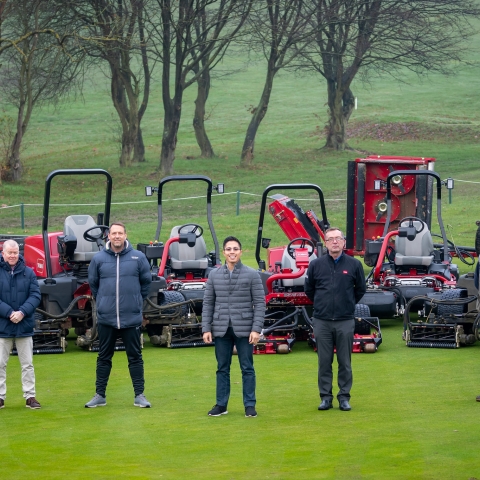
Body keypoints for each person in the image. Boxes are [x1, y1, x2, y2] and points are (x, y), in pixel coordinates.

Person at [85, 222, 152, 408]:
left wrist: (136, 301)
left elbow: (146, 283)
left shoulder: (138, 257)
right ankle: (100, 395)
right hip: (106, 318)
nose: (116, 236)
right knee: (104, 357)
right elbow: (94, 285)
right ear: (108, 236)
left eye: (120, 233)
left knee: (135, 357)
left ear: (125, 235)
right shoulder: (98, 259)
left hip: (131, 318)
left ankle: (140, 395)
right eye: (113, 233)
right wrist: (105, 303)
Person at [202, 236, 265, 417]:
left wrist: (256, 329)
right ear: (223, 252)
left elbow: (260, 303)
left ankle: (249, 405)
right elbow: (208, 303)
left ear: (240, 251)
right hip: (221, 328)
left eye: (235, 249)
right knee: (222, 368)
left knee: (247, 368)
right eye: (228, 249)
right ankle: (221, 405)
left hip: (245, 329)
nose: (232, 252)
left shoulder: (252, 274)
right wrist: (206, 328)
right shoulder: (214, 275)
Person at [304, 227, 366, 412]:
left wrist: (347, 304)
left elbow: (360, 290)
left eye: (338, 238)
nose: (335, 242)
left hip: (345, 320)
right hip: (322, 321)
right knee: (324, 361)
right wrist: (322, 304)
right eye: (330, 239)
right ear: (326, 243)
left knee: (345, 362)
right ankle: (326, 397)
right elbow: (310, 290)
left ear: (344, 242)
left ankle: (344, 397)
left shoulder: (354, 265)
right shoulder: (316, 265)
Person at [0, 239, 42, 409]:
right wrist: (9, 313)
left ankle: (30, 396)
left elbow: (35, 296)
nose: (12, 255)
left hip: (24, 325)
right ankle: (0, 397)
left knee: (27, 364)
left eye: (15, 252)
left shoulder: (28, 273)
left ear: (19, 253)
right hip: (3, 326)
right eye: (9, 252)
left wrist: (22, 312)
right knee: (0, 364)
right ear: (3, 253)